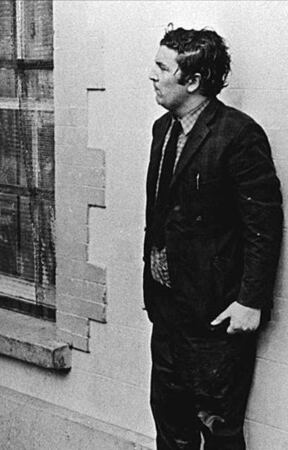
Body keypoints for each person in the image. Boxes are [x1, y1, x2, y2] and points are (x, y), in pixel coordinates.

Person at [144, 27, 282, 449]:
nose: (152, 75)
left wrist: (250, 301)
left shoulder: (238, 136)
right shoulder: (161, 130)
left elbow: (264, 223)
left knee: (219, 432)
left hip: (215, 320)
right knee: (171, 430)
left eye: (163, 67)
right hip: (167, 315)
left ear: (192, 81)